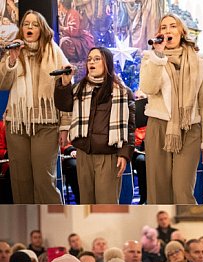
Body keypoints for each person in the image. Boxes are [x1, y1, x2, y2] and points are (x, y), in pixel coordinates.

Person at [139, 13, 203, 204]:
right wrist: (158, 56)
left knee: (183, 190)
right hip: (158, 126)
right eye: (163, 28)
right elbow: (148, 88)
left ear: (181, 32)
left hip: (189, 127)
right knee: (158, 190)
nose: (167, 31)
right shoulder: (150, 58)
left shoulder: (199, 62)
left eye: (172, 26)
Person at [0, 10, 70, 204]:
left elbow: (63, 89)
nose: (29, 27)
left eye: (34, 24)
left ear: (42, 29)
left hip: (46, 123)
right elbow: (3, 84)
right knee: (20, 181)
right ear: (21, 28)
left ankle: (53, 224)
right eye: (26, 24)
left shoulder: (53, 50)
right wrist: (12, 60)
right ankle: (27, 226)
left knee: (44, 180)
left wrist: (65, 125)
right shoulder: (13, 52)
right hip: (17, 123)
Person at [53, 46, 135, 204]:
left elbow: (130, 128)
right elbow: (64, 105)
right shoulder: (79, 88)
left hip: (108, 155)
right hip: (84, 154)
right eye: (89, 59)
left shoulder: (122, 92)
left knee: (107, 204)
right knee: (86, 202)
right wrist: (64, 84)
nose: (92, 62)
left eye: (97, 59)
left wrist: (124, 154)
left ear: (107, 63)